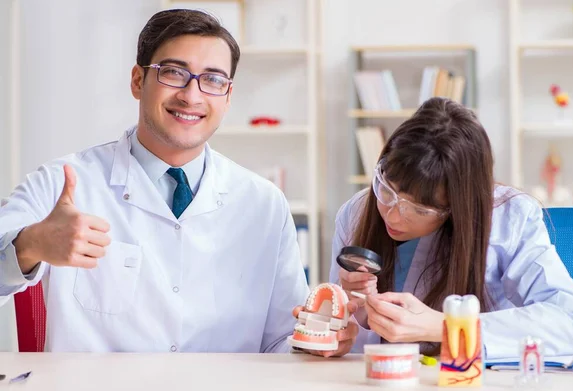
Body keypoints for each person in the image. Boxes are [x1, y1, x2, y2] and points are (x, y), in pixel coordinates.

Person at [0, 9, 357, 355]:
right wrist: (30, 245)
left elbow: (282, 340)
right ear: (138, 81)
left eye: (214, 80)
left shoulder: (264, 204)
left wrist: (318, 341)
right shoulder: (63, 183)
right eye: (173, 72)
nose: (192, 95)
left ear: (228, 97)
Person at [329, 97, 573, 359]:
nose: (394, 216)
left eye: (420, 210)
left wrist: (448, 327)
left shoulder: (509, 218)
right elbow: (342, 333)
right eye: (387, 190)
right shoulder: (356, 212)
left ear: (458, 206)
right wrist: (348, 321)